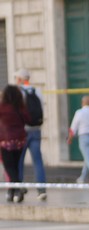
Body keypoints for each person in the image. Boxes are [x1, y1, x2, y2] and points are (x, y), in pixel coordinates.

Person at [15, 68, 47, 201]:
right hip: (36, 129)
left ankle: (20, 188)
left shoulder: (18, 92)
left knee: (19, 161)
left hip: (22, 131)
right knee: (38, 161)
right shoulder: (37, 91)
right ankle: (41, 190)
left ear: (20, 79)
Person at [0, 84, 29, 202]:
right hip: (20, 140)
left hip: (6, 141)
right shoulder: (21, 107)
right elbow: (28, 120)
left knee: (9, 167)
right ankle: (12, 192)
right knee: (16, 166)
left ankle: (18, 188)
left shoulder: (2, 107)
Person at [67, 95, 89, 184]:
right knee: (88, 157)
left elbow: (73, 127)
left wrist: (70, 138)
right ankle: (82, 177)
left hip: (84, 137)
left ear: (82, 103)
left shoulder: (79, 112)